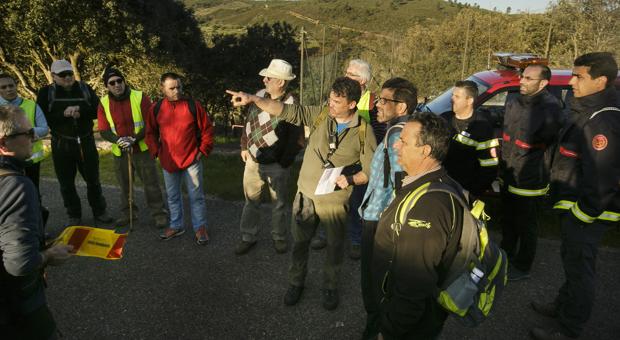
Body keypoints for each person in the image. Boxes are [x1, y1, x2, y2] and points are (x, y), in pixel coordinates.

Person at [227, 76, 377, 310]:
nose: (331, 105)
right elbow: (285, 110)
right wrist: (253, 99)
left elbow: (370, 171)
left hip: (334, 202)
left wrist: (350, 178)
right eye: (330, 99)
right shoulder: (319, 114)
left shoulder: (364, 132)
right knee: (300, 243)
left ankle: (330, 286)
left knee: (335, 247)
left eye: (337, 102)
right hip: (305, 195)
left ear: (352, 104)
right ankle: (296, 282)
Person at [530, 52, 620, 340]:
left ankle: (569, 329)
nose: (570, 82)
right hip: (577, 210)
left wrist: (580, 215)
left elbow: (602, 180)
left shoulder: (602, 121)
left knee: (581, 271)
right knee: (572, 263)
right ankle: (562, 307)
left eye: (579, 76)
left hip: (587, 215)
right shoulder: (586, 109)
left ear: (601, 81)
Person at [371, 112, 461, 339]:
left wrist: (390, 331)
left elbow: (414, 282)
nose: (396, 147)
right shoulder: (430, 182)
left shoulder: (429, 207)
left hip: (410, 326)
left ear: (425, 150)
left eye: (403, 141)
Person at [0, 104, 73, 339]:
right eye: (28, 133)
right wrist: (48, 256)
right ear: (3, 143)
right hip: (16, 306)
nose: (35, 137)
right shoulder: (16, 186)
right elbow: (20, 262)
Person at [358, 77, 417, 339]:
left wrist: (392, 228)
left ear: (401, 107)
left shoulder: (397, 135)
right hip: (381, 217)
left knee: (375, 283)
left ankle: (377, 331)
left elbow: (399, 184)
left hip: (381, 220)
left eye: (383, 100)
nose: (377, 105)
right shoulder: (404, 130)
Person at [312, 59, 386, 260]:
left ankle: (355, 240)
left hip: (358, 165)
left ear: (363, 80)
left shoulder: (373, 104)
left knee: (357, 203)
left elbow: (378, 137)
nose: (345, 76)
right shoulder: (338, 96)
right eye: (346, 72)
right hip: (335, 159)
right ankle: (323, 234)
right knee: (328, 198)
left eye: (351, 74)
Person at [500, 63, 563, 281]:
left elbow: (542, 141)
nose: (522, 81)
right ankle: (503, 257)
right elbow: (508, 134)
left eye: (528, 78)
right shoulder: (514, 100)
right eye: (522, 77)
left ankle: (523, 266)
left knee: (526, 224)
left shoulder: (551, 108)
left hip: (530, 178)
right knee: (508, 220)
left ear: (543, 83)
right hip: (509, 172)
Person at [235, 59, 304, 255]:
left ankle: (279, 237)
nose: (264, 79)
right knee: (251, 201)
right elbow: (248, 122)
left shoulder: (292, 104)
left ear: (281, 82)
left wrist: (284, 162)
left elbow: (296, 139)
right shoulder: (257, 96)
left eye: (269, 77)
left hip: (277, 165)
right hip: (253, 161)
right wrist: (244, 146)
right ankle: (248, 236)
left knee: (279, 203)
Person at [36, 59, 113, 226]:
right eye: (62, 75)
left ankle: (100, 211)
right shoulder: (45, 93)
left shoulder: (85, 88)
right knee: (66, 184)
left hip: (86, 142)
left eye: (70, 73)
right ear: (53, 76)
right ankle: (74, 215)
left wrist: (80, 111)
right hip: (61, 144)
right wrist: (63, 114)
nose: (67, 77)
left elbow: (97, 110)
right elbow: (43, 119)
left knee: (93, 180)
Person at [145, 73, 214, 245]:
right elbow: (150, 133)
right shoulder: (156, 108)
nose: (177, 91)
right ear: (162, 89)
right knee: (172, 196)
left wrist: (202, 151)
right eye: (172, 88)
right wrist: (156, 152)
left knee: (196, 196)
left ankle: (200, 228)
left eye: (179, 87)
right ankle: (176, 225)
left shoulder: (193, 105)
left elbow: (207, 130)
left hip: (192, 160)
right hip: (168, 162)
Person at [97, 67, 168, 229]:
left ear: (124, 81)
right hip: (120, 151)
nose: (117, 85)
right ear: (107, 86)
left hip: (142, 150)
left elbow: (151, 123)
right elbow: (103, 130)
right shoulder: (103, 103)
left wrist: (134, 139)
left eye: (119, 81)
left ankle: (159, 214)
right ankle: (128, 214)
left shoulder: (140, 96)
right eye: (112, 83)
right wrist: (119, 140)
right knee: (124, 186)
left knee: (151, 183)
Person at [441, 80, 498, 196]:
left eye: (457, 96)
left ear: (469, 100)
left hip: (466, 190)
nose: (452, 99)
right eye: (452, 95)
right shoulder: (443, 119)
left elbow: (489, 166)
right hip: (442, 186)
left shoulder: (482, 127)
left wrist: (474, 192)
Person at [0, 74, 49, 196]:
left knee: (33, 191)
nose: (8, 89)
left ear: (16, 86)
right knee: (9, 194)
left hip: (31, 158)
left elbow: (44, 128)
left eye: (11, 85)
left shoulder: (31, 105)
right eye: (3, 87)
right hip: (4, 160)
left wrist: (26, 132)